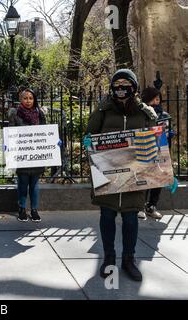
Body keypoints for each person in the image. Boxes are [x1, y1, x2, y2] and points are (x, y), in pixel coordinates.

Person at [85, 69, 157, 282]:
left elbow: (156, 143)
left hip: (135, 175)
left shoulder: (146, 113)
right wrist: (89, 141)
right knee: (107, 216)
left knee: (130, 218)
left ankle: (128, 259)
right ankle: (109, 258)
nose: (121, 88)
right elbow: (91, 134)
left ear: (133, 87)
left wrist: (165, 173)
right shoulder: (103, 111)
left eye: (126, 83)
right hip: (108, 174)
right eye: (117, 84)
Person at [8, 89, 47, 222]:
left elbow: (45, 132)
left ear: (34, 99)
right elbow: (11, 132)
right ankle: (22, 209)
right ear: (21, 99)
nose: (28, 101)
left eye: (31, 98)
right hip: (22, 154)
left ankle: (34, 209)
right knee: (23, 183)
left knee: (35, 184)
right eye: (25, 98)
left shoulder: (39, 113)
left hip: (36, 155)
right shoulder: (15, 114)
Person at [137, 87, 172, 220]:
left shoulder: (164, 115)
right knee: (143, 178)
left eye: (158, 99)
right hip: (144, 148)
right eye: (153, 98)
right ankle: (140, 206)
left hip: (160, 149)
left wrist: (169, 132)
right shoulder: (141, 113)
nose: (156, 101)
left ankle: (151, 205)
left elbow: (168, 131)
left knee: (158, 179)